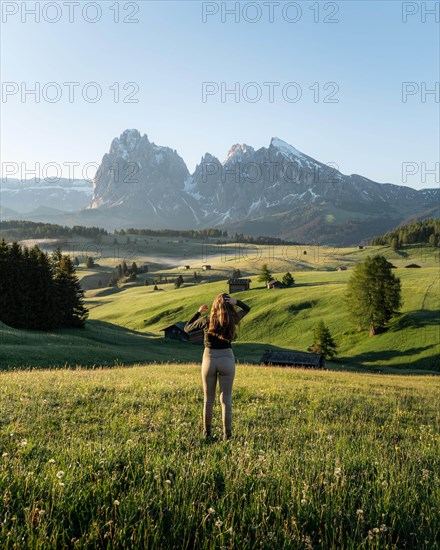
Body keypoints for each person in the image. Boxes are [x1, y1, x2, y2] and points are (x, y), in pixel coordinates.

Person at [184, 293, 251, 441]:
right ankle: (227, 436)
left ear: (214, 306)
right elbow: (247, 309)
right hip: (227, 359)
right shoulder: (232, 320)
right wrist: (237, 301)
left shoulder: (206, 320)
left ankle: (206, 434)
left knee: (208, 400)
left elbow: (187, 328)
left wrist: (198, 312)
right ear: (229, 306)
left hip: (209, 359)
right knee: (226, 399)